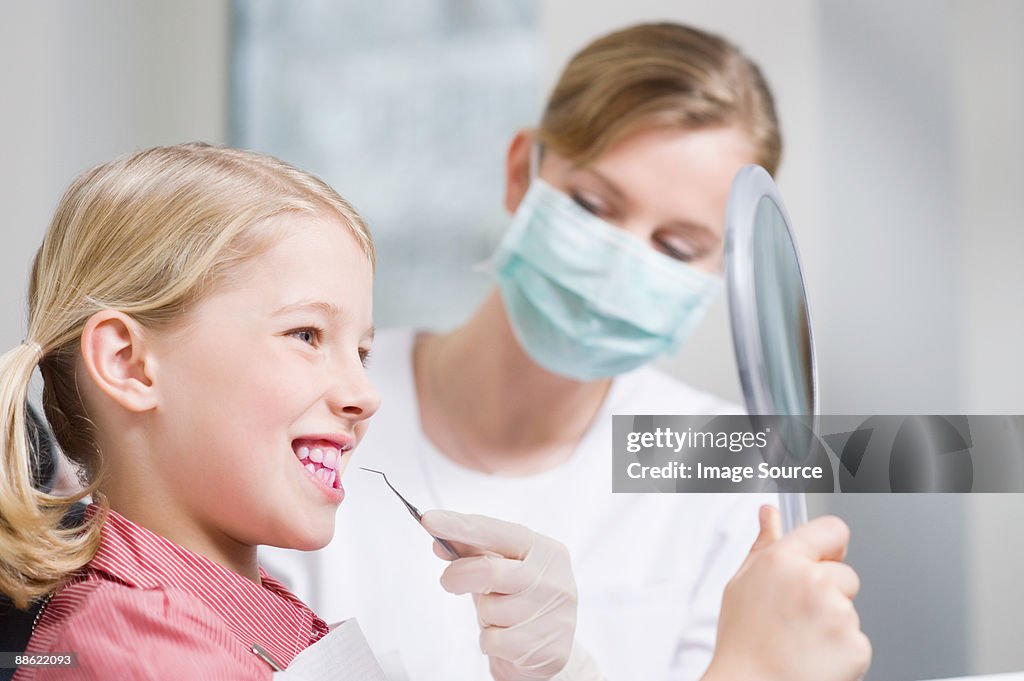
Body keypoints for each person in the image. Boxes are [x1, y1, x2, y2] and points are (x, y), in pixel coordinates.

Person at [260, 22, 871, 681]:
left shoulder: (729, 472)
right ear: (522, 171)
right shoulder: (321, 405)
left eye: (677, 248)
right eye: (591, 203)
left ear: (724, 265)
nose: (620, 264)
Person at [0, 143, 593, 680]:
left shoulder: (246, 609)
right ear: (129, 363)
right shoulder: (143, 650)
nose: (366, 393)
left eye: (362, 351)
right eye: (306, 334)